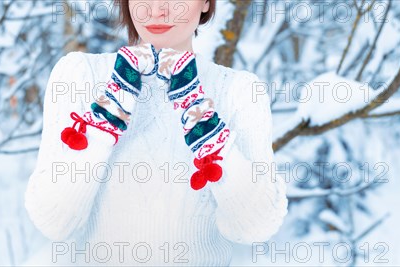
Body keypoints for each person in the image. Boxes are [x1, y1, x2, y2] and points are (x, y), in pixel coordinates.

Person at [24, 0, 288, 265]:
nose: (158, 9)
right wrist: (104, 121)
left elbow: (256, 227)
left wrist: (207, 130)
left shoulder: (240, 91)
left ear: (206, 3)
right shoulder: (81, 75)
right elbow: (53, 221)